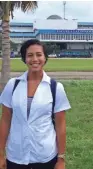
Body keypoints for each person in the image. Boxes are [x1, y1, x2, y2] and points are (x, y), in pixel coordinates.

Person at [0, 39, 71, 169]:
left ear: (45, 57)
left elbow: (61, 125)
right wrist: (0, 154)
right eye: (30, 55)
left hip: (45, 156)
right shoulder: (13, 85)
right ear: (24, 59)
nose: (35, 59)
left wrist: (61, 159)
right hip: (16, 156)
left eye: (39, 54)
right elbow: (5, 120)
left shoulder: (55, 88)